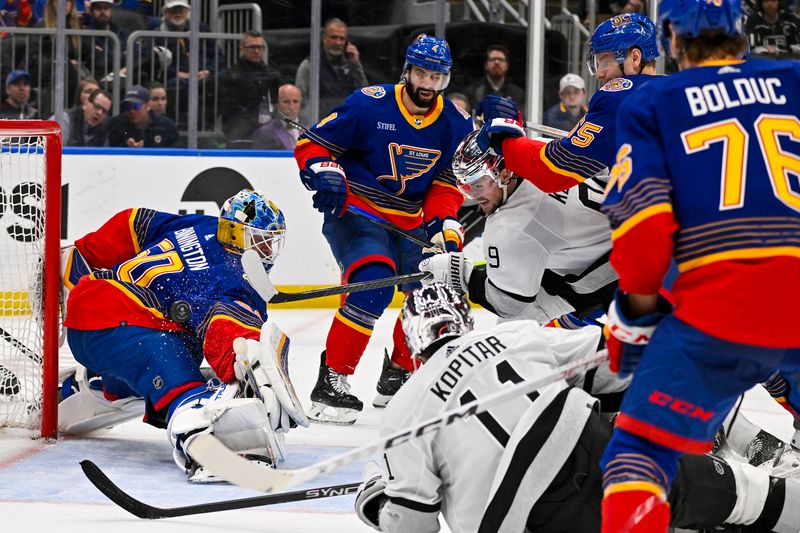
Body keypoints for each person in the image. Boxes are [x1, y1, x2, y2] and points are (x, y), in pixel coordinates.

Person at [354, 284, 800, 533]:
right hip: (581, 443)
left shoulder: (402, 415)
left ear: (413, 348)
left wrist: (383, 505)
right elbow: (610, 356)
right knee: (722, 492)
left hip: (510, 520)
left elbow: (414, 525)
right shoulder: (512, 336)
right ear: (463, 323)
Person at [598, 0, 800, 529]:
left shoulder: (652, 102)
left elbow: (641, 239)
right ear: (739, 30)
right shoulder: (794, 81)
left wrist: (635, 322)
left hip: (721, 308)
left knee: (638, 457)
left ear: (668, 39)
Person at [60, 190, 305, 481]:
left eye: (271, 241)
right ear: (238, 234)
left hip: (98, 311)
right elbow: (224, 323)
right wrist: (243, 359)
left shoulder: (201, 227)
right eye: (260, 240)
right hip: (123, 322)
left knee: (181, 351)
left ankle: (101, 387)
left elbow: (135, 222)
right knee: (182, 380)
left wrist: (87, 252)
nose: (267, 250)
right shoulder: (232, 276)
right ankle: (203, 441)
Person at [293, 34, 473, 423]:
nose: (427, 84)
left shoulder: (455, 123)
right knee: (373, 284)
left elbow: (446, 182)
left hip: (411, 221)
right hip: (359, 211)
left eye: (437, 77)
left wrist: (443, 223)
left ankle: (398, 376)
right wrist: (324, 172)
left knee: (432, 293)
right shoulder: (368, 103)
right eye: (421, 73)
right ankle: (331, 382)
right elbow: (313, 144)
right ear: (407, 71)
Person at [420, 129, 615, 326]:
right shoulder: (538, 150)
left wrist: (463, 275)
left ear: (504, 174)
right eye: (465, 187)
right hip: (631, 223)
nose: (473, 196)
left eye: (478, 185)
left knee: (511, 328)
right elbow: (601, 167)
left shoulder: (511, 224)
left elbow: (508, 304)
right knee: (515, 327)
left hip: (613, 273)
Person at [474, 12, 659, 195]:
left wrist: (504, 142)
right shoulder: (675, 91)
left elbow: (555, 169)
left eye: (604, 62)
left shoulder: (622, 96)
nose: (599, 74)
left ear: (635, 58)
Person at [294, 18, 368, 126]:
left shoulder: (351, 64)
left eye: (342, 39)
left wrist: (356, 65)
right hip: (321, 127)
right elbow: (301, 102)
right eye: (334, 37)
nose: (338, 42)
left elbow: (364, 95)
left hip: (347, 125)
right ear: (324, 38)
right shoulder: (310, 65)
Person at [219, 30, 282, 144]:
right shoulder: (231, 76)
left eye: (260, 47)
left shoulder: (272, 75)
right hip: (239, 133)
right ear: (242, 49)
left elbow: (277, 104)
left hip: (267, 131)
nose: (257, 51)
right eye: (252, 47)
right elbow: (230, 111)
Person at [107, 84, 179, 148]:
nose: (132, 111)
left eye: (136, 106)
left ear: (148, 106)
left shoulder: (165, 125)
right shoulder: (117, 124)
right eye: (128, 106)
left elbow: (178, 152)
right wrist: (126, 147)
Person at [81, 0, 131, 81]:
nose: (103, 12)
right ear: (91, 11)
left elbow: (135, 55)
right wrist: (123, 56)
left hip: (123, 77)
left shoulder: (122, 33)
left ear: (111, 10)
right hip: (99, 79)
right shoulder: (86, 35)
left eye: (106, 8)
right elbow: (99, 61)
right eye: (98, 8)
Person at [467, 44, 526, 112]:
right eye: (492, 59)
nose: (497, 62)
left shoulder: (518, 94)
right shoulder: (473, 92)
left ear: (507, 65)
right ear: (486, 65)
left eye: (501, 59)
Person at [253, 83, 302, 150]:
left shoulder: (311, 130)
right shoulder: (264, 133)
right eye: (286, 102)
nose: (291, 107)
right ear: (277, 104)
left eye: (295, 102)